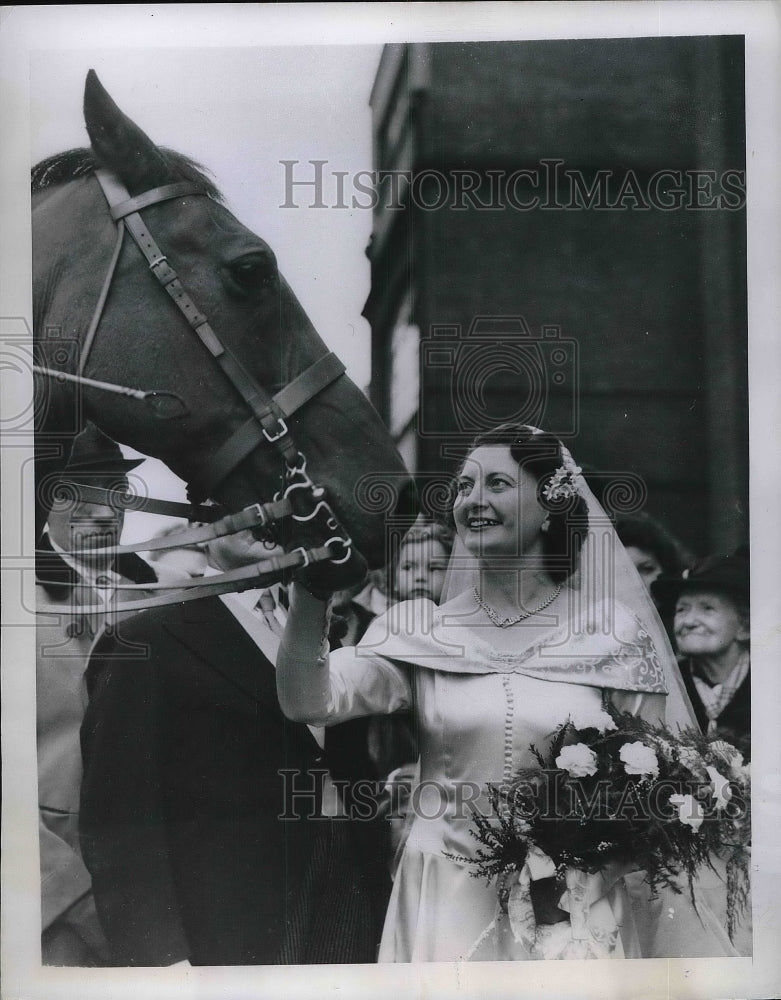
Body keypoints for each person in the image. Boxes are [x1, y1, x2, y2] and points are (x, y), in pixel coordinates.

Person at [275, 422, 739, 962]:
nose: (474, 500)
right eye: (465, 486)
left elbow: (659, 790)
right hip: (445, 901)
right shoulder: (421, 630)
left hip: (574, 914)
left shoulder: (611, 636)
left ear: (550, 506)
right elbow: (307, 701)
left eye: (497, 484)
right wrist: (312, 590)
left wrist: (589, 865)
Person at [79, 527, 384, 966]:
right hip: (226, 925)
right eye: (248, 495)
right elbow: (119, 817)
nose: (269, 516)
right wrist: (160, 959)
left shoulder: (320, 633)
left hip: (345, 893)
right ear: (204, 526)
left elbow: (348, 765)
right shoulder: (147, 637)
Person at [36, 423, 157, 966]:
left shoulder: (154, 601)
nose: (107, 512)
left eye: (116, 491)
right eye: (80, 491)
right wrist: (79, 902)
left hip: (152, 907)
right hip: (50, 907)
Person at [652, 548, 750, 754]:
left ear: (744, 627)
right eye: (682, 609)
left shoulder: (771, 682)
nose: (688, 622)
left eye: (707, 608)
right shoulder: (664, 684)